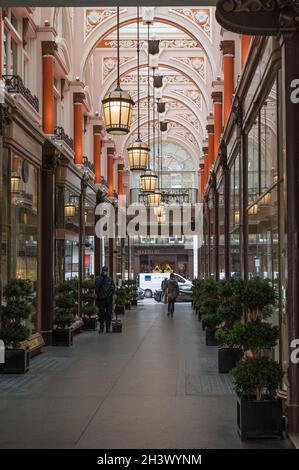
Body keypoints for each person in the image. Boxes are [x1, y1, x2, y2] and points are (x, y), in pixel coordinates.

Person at [95, 266, 115, 333]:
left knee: (109, 314)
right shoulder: (98, 278)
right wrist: (102, 279)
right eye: (104, 270)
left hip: (108, 299)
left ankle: (108, 328)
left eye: (106, 271)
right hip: (101, 299)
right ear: (102, 271)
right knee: (101, 314)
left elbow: (113, 287)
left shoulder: (110, 279)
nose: (105, 272)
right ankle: (101, 327)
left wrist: (111, 293)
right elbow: (97, 285)